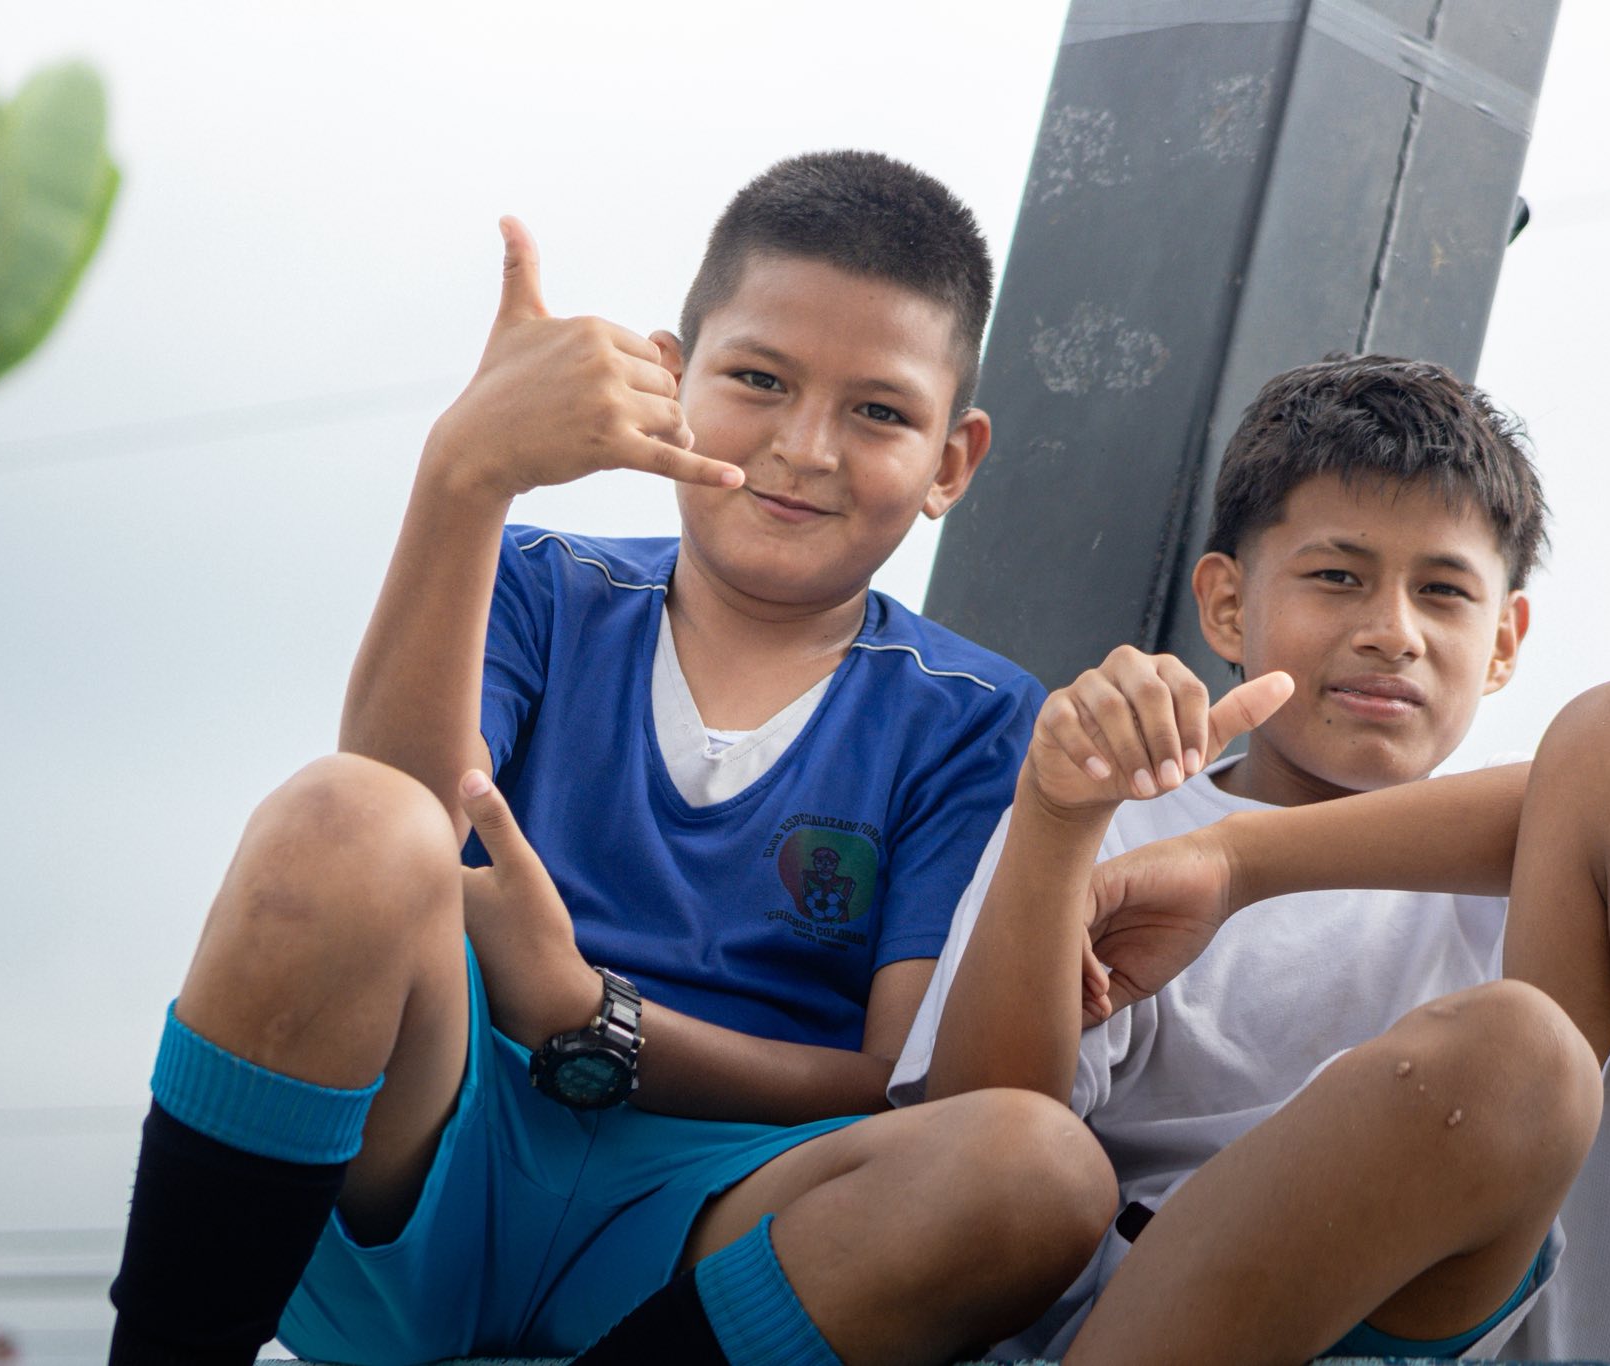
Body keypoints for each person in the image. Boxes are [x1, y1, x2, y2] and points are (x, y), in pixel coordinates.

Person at [107, 151, 1117, 1366]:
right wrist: (466, 472)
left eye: (878, 412)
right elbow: (394, 831)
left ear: (951, 459)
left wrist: (597, 1020)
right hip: (425, 1156)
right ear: (669, 378)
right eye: (759, 379)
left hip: (706, 1235)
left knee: (1039, 1168)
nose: (805, 445)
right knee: (340, 815)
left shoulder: (976, 717)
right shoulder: (539, 584)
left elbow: (900, 1087)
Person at [893, 353, 1610, 1364]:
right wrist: (1057, 820)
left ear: (1504, 640)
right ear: (1228, 605)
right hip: (1197, 1327)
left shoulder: (1593, 835)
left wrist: (1241, 860)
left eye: (1443, 591)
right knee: (1516, 1053)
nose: (1393, 633)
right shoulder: (1117, 824)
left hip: (1504, 1320)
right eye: (1337, 576)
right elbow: (981, 1160)